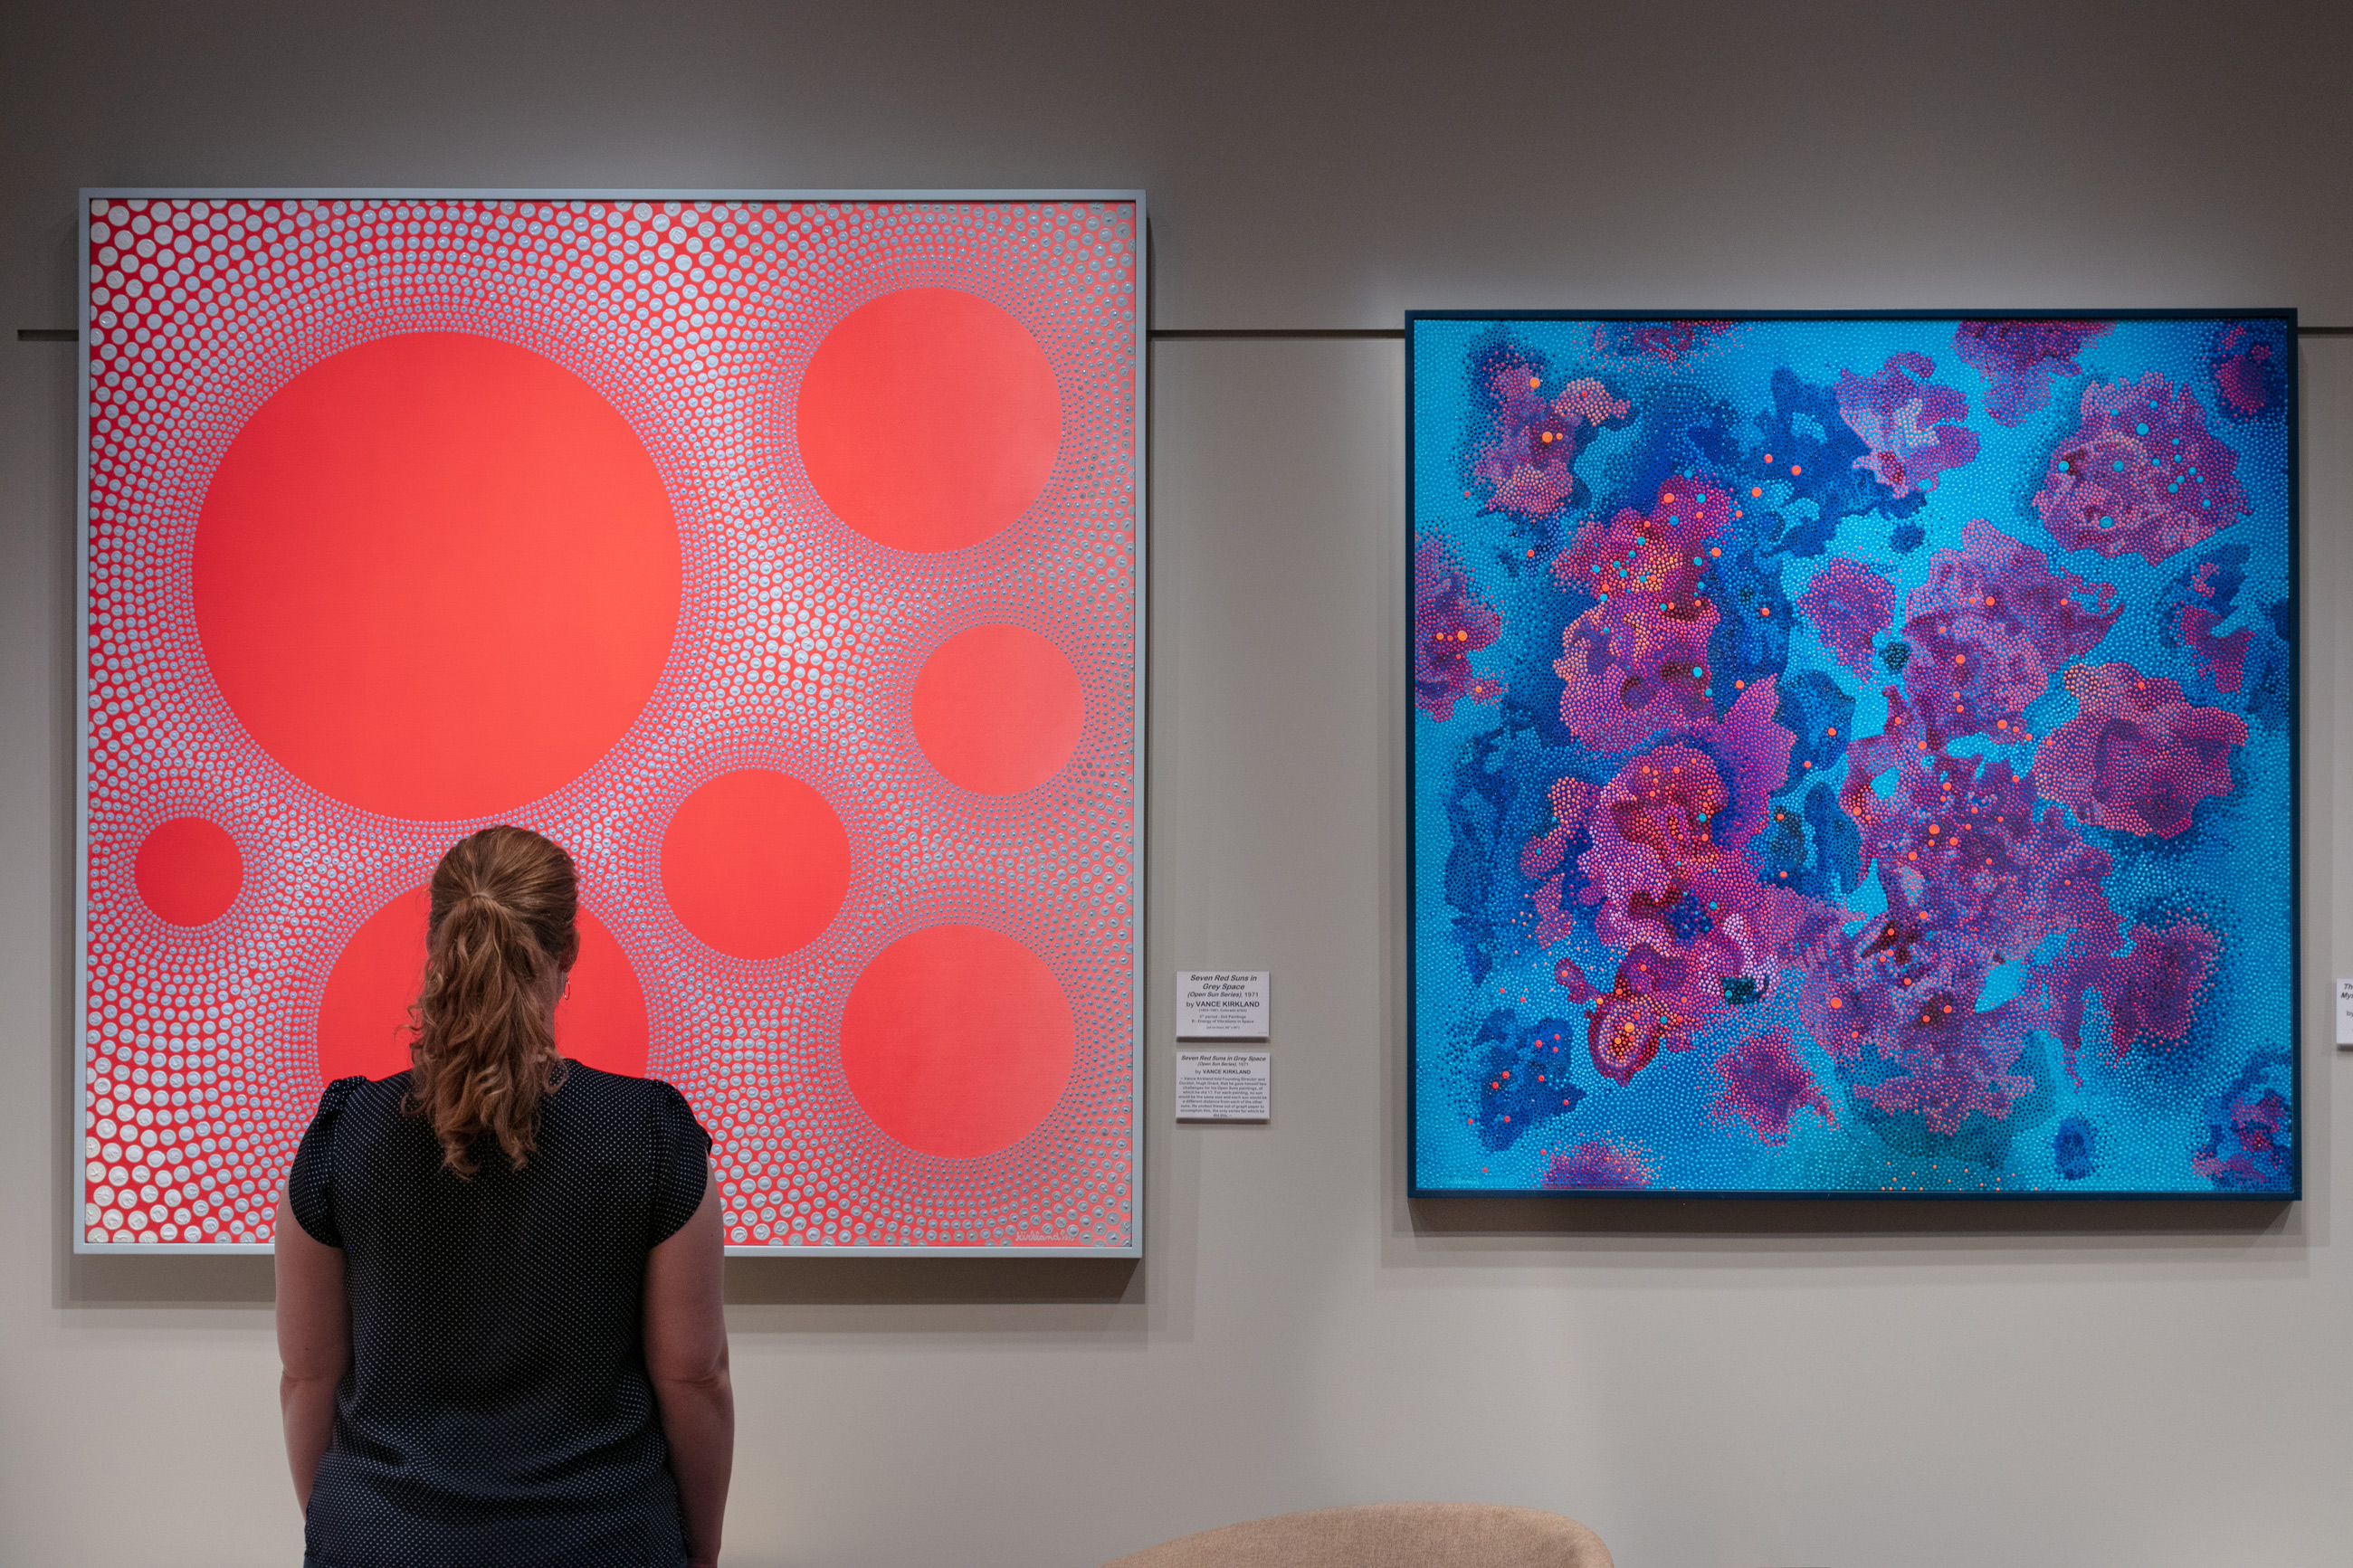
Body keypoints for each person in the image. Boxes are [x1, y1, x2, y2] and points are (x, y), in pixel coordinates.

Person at [273, 825, 731, 1568]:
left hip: (383, 1543)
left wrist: (348, 1526)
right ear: (566, 956)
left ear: (437, 949)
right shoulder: (651, 1136)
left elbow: (306, 1374)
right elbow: (694, 1374)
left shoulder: (344, 1131)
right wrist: (701, 1549)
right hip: (603, 1543)